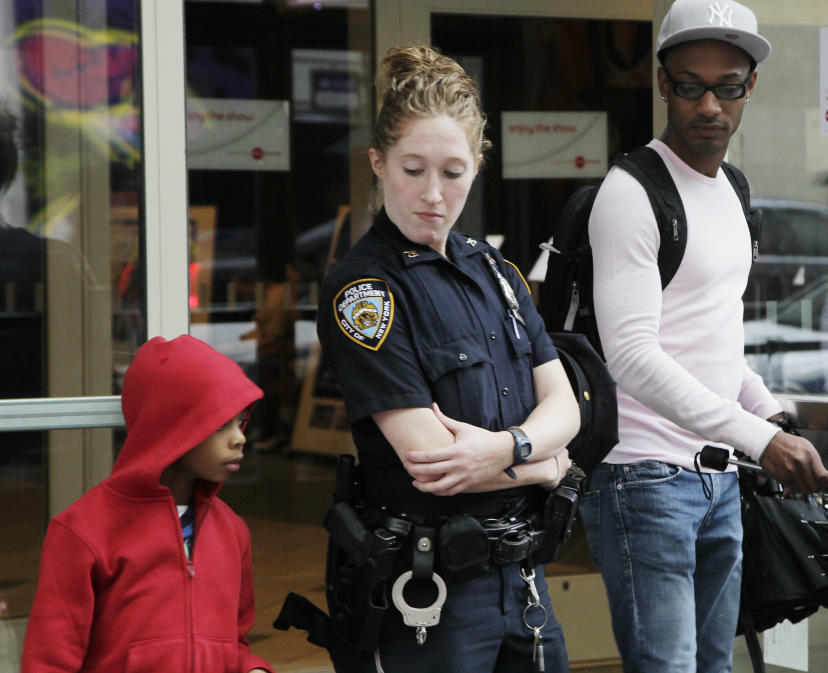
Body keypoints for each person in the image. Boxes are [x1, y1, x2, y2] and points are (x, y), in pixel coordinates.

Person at [581, 1, 828, 672]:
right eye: (690, 85)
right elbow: (631, 356)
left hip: (719, 478)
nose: (710, 105)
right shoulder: (632, 193)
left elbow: (713, 339)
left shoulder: (732, 189)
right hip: (643, 477)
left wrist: (766, 410)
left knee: (712, 666)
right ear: (662, 83)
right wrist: (760, 439)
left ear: (751, 86)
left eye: (729, 85)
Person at [317, 45, 580, 672]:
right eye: (413, 169)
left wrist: (502, 450)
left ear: (477, 168)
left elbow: (566, 405)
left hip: (524, 580)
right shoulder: (364, 290)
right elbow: (431, 464)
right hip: (431, 591)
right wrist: (543, 465)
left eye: (453, 172)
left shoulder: (497, 271)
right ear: (378, 164)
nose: (432, 194)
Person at [20, 335, 273, 673]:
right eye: (219, 424)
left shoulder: (233, 531)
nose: (239, 437)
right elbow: (49, 660)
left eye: (240, 421)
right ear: (172, 428)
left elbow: (236, 641)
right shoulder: (82, 531)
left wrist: (251, 669)